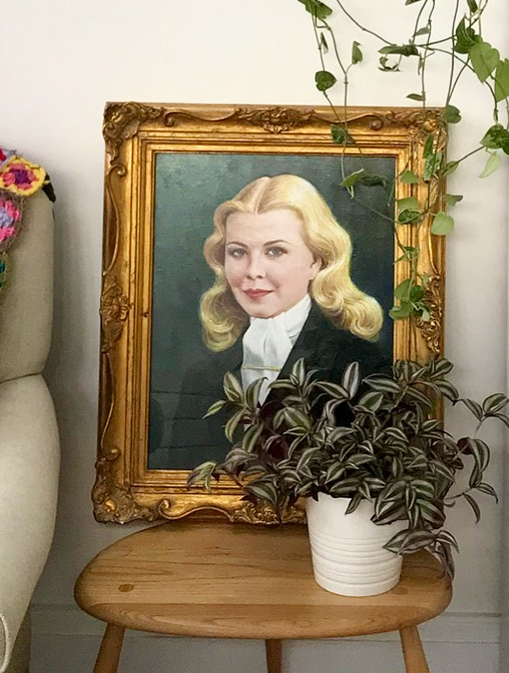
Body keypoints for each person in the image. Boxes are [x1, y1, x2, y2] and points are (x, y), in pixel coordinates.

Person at [151, 173, 388, 471]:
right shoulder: (203, 376)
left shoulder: (360, 364)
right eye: (238, 252)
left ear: (317, 261)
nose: (253, 271)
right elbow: (184, 478)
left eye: (275, 251)